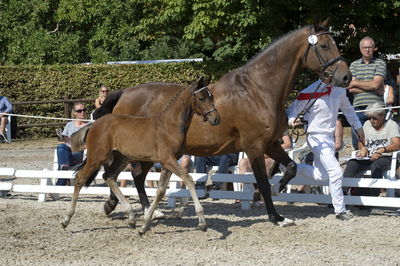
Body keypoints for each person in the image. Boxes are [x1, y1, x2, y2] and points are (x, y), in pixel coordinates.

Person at [284, 77, 364, 220]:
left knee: (322, 176)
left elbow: (349, 111)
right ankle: (340, 211)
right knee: (336, 172)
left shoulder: (339, 91)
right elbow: (292, 111)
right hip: (315, 136)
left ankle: (291, 167)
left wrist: (358, 127)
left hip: (329, 137)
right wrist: (292, 120)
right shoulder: (310, 91)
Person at [344, 102, 400, 197]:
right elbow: (361, 142)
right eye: (370, 118)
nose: (371, 120)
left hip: (386, 158)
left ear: (382, 115)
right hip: (369, 158)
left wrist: (382, 150)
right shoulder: (367, 124)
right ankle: (342, 192)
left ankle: (373, 195)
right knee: (352, 163)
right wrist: (363, 148)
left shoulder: (391, 125)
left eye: (374, 118)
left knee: (376, 164)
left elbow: (397, 144)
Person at [348, 36, 387, 149]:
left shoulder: (380, 63)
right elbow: (350, 88)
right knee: (358, 137)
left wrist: (356, 83)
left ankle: (378, 159)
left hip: (376, 105)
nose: (367, 50)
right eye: (365, 47)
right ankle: (359, 160)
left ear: (374, 48)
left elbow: (376, 83)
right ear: (360, 49)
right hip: (358, 106)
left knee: (378, 136)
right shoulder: (354, 65)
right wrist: (374, 87)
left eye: (370, 47)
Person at [55, 103, 88, 186]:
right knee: (60, 146)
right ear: (75, 113)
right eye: (79, 111)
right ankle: (65, 170)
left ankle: (60, 183)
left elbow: (91, 144)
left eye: (84, 110)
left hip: (79, 153)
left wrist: (79, 146)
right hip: (67, 151)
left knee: (64, 163)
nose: (82, 112)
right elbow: (62, 141)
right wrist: (63, 139)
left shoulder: (89, 126)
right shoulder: (69, 125)